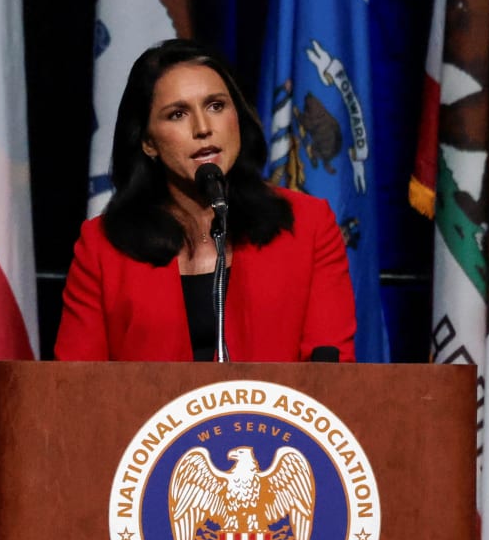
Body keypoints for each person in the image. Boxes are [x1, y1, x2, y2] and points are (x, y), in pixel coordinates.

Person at [54, 38, 356, 362]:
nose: (203, 128)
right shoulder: (103, 247)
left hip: (271, 415)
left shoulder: (308, 225)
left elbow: (331, 377)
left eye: (216, 106)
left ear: (237, 117)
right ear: (147, 142)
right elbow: (75, 390)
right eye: (177, 114)